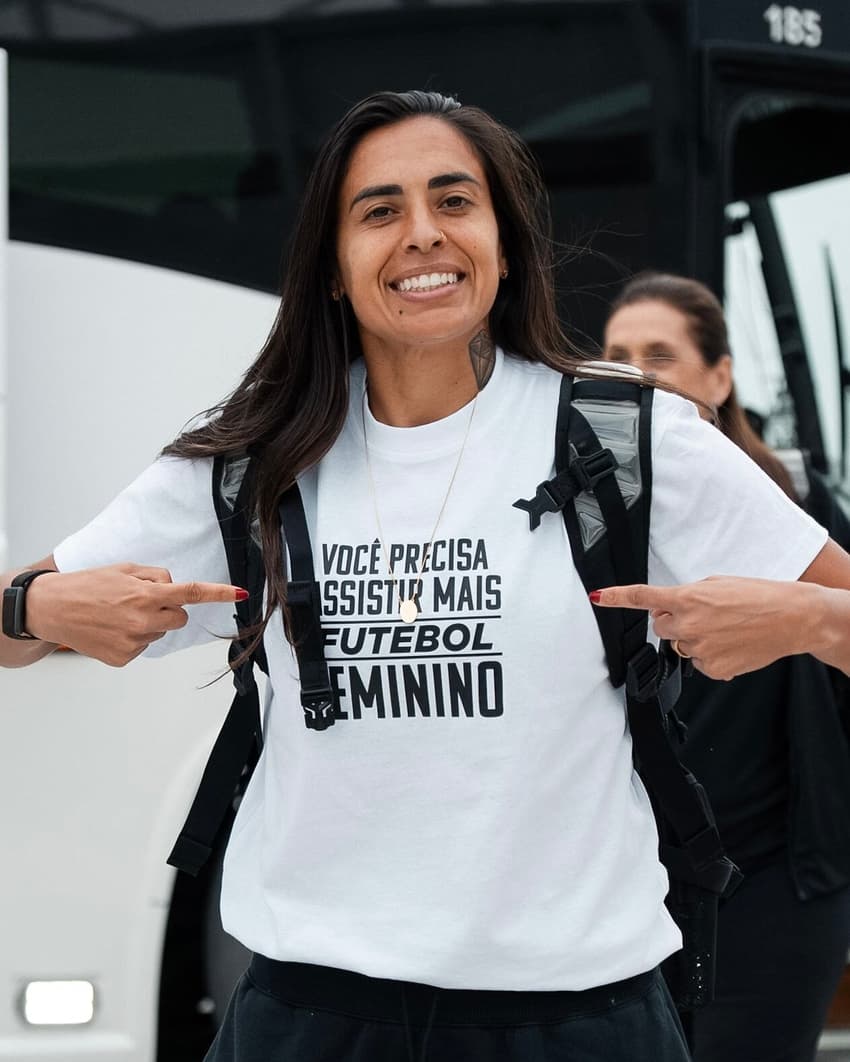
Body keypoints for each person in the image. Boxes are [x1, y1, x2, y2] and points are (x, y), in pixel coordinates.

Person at [3, 90, 850, 1062]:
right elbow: (8, 627)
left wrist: (811, 625)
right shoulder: (248, 464)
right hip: (310, 1023)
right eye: (378, 211)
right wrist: (34, 605)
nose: (421, 236)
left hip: (576, 1023)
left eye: (454, 202)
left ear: (502, 239)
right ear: (330, 263)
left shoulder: (628, 440)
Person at [602, 270, 850, 1062]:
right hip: (628, 880)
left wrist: (807, 619)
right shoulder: (577, 517)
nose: (636, 373)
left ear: (719, 376)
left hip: (775, 883)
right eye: (616, 356)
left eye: (660, 355)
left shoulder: (797, 512)